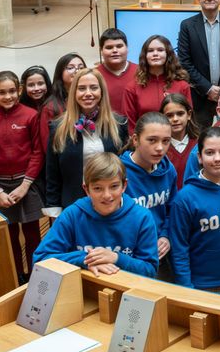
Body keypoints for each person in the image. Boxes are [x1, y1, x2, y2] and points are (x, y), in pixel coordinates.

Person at [33, 153, 158, 277]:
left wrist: (116, 258)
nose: (107, 195)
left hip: (127, 290)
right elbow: (40, 259)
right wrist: (85, 259)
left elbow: (150, 270)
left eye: (114, 186)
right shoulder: (72, 215)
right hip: (82, 288)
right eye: (98, 188)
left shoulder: (142, 217)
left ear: (124, 186)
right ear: (87, 190)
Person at [167, 127, 220, 295]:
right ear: (199, 157)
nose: (217, 159)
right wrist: (186, 287)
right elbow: (179, 248)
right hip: (203, 285)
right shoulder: (185, 199)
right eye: (210, 153)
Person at [0, 71, 45, 280]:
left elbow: (37, 152)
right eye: (2, 92)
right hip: (0, 185)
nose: (8, 96)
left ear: (19, 90)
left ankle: (36, 275)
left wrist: (25, 185)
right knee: (10, 233)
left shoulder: (30, 115)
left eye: (12, 91)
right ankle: (16, 276)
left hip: (27, 182)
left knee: (33, 231)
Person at [44, 68, 129, 216]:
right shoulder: (58, 128)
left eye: (94, 88)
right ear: (74, 93)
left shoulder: (118, 124)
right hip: (73, 206)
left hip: (111, 203)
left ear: (101, 92)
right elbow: (52, 173)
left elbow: (124, 167)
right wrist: (54, 209)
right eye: (82, 88)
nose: (88, 93)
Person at [120, 112, 178, 279]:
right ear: (136, 139)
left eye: (166, 141)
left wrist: (166, 236)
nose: (160, 147)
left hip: (159, 253)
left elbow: (171, 210)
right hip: (129, 256)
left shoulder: (168, 170)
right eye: (152, 140)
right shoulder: (119, 172)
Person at [124, 35, 192, 123]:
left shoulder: (182, 86)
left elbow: (189, 119)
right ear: (145, 56)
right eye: (150, 51)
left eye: (160, 50)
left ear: (168, 54)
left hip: (175, 136)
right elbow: (130, 123)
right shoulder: (132, 88)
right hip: (145, 136)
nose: (155, 54)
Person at [160, 93, 197, 188]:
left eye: (180, 114)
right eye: (169, 115)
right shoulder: (159, 148)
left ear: (189, 115)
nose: (175, 119)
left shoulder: (200, 144)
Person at [96, 28, 137, 109]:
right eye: (109, 47)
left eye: (119, 46)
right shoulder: (94, 75)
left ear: (127, 48)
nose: (115, 50)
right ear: (101, 51)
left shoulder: (141, 72)